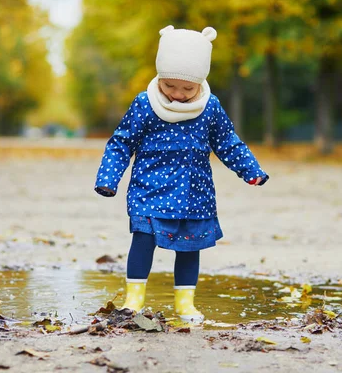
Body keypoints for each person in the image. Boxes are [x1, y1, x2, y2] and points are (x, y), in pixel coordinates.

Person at [94, 25, 268, 323]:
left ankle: (185, 303)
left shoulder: (209, 108)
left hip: (193, 191)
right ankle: (133, 299)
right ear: (159, 76)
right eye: (169, 86)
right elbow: (121, 142)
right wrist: (108, 179)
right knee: (143, 239)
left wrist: (251, 170)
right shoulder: (145, 104)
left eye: (188, 89)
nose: (178, 95)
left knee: (190, 245)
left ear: (201, 82)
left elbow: (227, 142)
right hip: (148, 187)